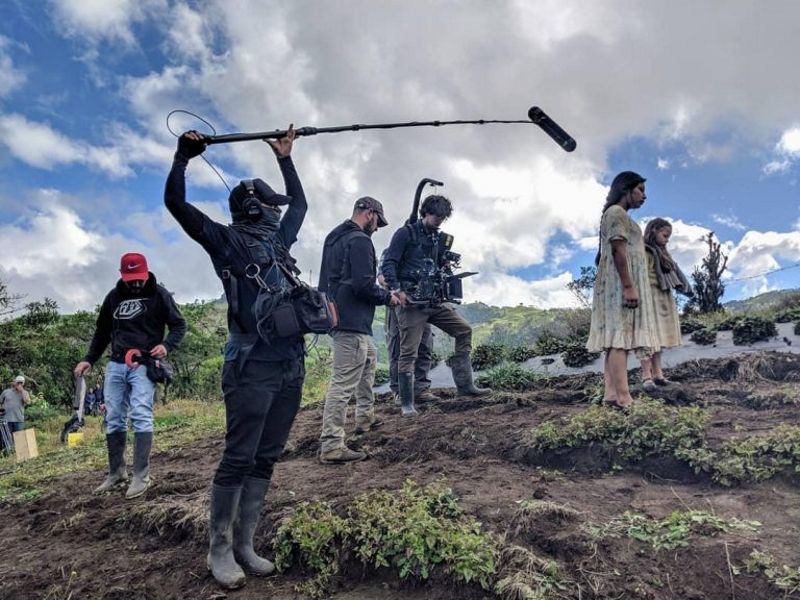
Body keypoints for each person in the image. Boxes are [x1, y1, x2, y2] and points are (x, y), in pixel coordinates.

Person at [165, 127, 306, 590]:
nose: (278, 211)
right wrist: (183, 158)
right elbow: (178, 207)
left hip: (289, 364)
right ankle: (219, 549)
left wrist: (286, 158)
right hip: (250, 367)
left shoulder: (279, 241)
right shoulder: (226, 241)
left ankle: (246, 544)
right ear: (253, 207)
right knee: (238, 457)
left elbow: (301, 206)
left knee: (266, 457)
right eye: (271, 204)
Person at [74, 253, 186, 498]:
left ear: (146, 273)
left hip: (144, 363)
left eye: (139, 278)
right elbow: (102, 332)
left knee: (141, 413)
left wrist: (166, 346)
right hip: (116, 364)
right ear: (122, 275)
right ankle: (116, 473)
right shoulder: (113, 297)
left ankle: (141, 475)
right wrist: (88, 359)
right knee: (113, 416)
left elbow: (179, 325)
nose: (135, 283)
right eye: (130, 279)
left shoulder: (159, 295)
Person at [381, 194, 490, 417]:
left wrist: (445, 263)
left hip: (434, 301)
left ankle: (465, 386)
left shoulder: (437, 239)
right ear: (425, 212)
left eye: (443, 217)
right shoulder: (405, 233)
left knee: (463, 330)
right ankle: (406, 402)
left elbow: (438, 266)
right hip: (411, 303)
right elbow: (389, 263)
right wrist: (396, 289)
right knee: (408, 352)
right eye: (436, 216)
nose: (439, 220)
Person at [317, 197, 403, 464]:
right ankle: (331, 445)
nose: (377, 228)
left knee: (369, 361)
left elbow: (328, 281)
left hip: (339, 316)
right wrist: (388, 297)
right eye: (378, 221)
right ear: (369, 213)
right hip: (351, 322)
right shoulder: (360, 241)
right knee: (342, 384)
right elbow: (363, 285)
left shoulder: (334, 237)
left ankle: (365, 419)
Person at [586, 171, 660, 409]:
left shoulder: (619, 216)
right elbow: (618, 251)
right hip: (620, 284)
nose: (644, 196)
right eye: (640, 190)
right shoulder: (616, 213)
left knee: (616, 340)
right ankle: (624, 397)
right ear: (626, 189)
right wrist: (629, 286)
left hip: (620, 283)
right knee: (619, 340)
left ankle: (610, 395)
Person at [640, 218, 693, 391]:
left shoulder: (663, 254)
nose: (667, 239)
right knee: (647, 336)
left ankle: (658, 375)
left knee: (659, 336)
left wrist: (686, 288)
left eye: (668, 236)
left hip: (663, 295)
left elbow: (675, 272)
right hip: (647, 295)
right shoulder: (642, 251)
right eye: (665, 235)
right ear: (653, 230)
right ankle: (646, 376)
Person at [378, 267, 437, 403]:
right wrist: (398, 287)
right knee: (397, 348)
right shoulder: (392, 253)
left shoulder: (422, 254)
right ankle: (399, 392)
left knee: (425, 345)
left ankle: (421, 389)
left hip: (420, 305)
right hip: (398, 305)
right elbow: (381, 277)